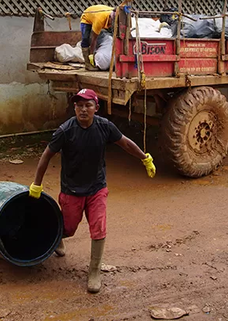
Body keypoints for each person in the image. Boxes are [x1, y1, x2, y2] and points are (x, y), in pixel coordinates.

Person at [28, 89, 156, 293]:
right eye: (79, 105)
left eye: (88, 105)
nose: (83, 109)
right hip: (72, 190)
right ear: (75, 108)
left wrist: (144, 158)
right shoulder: (65, 131)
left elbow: (125, 143)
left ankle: (94, 271)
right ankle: (58, 237)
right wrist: (37, 184)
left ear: (96, 108)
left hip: (97, 188)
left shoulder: (105, 126)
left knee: (98, 227)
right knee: (69, 227)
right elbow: (46, 156)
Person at [80, 5, 115, 71]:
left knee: (111, 36)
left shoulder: (116, 14)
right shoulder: (100, 20)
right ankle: (88, 64)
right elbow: (94, 39)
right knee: (85, 39)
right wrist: (91, 55)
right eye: (112, 22)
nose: (113, 24)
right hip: (87, 18)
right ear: (110, 18)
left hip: (98, 14)